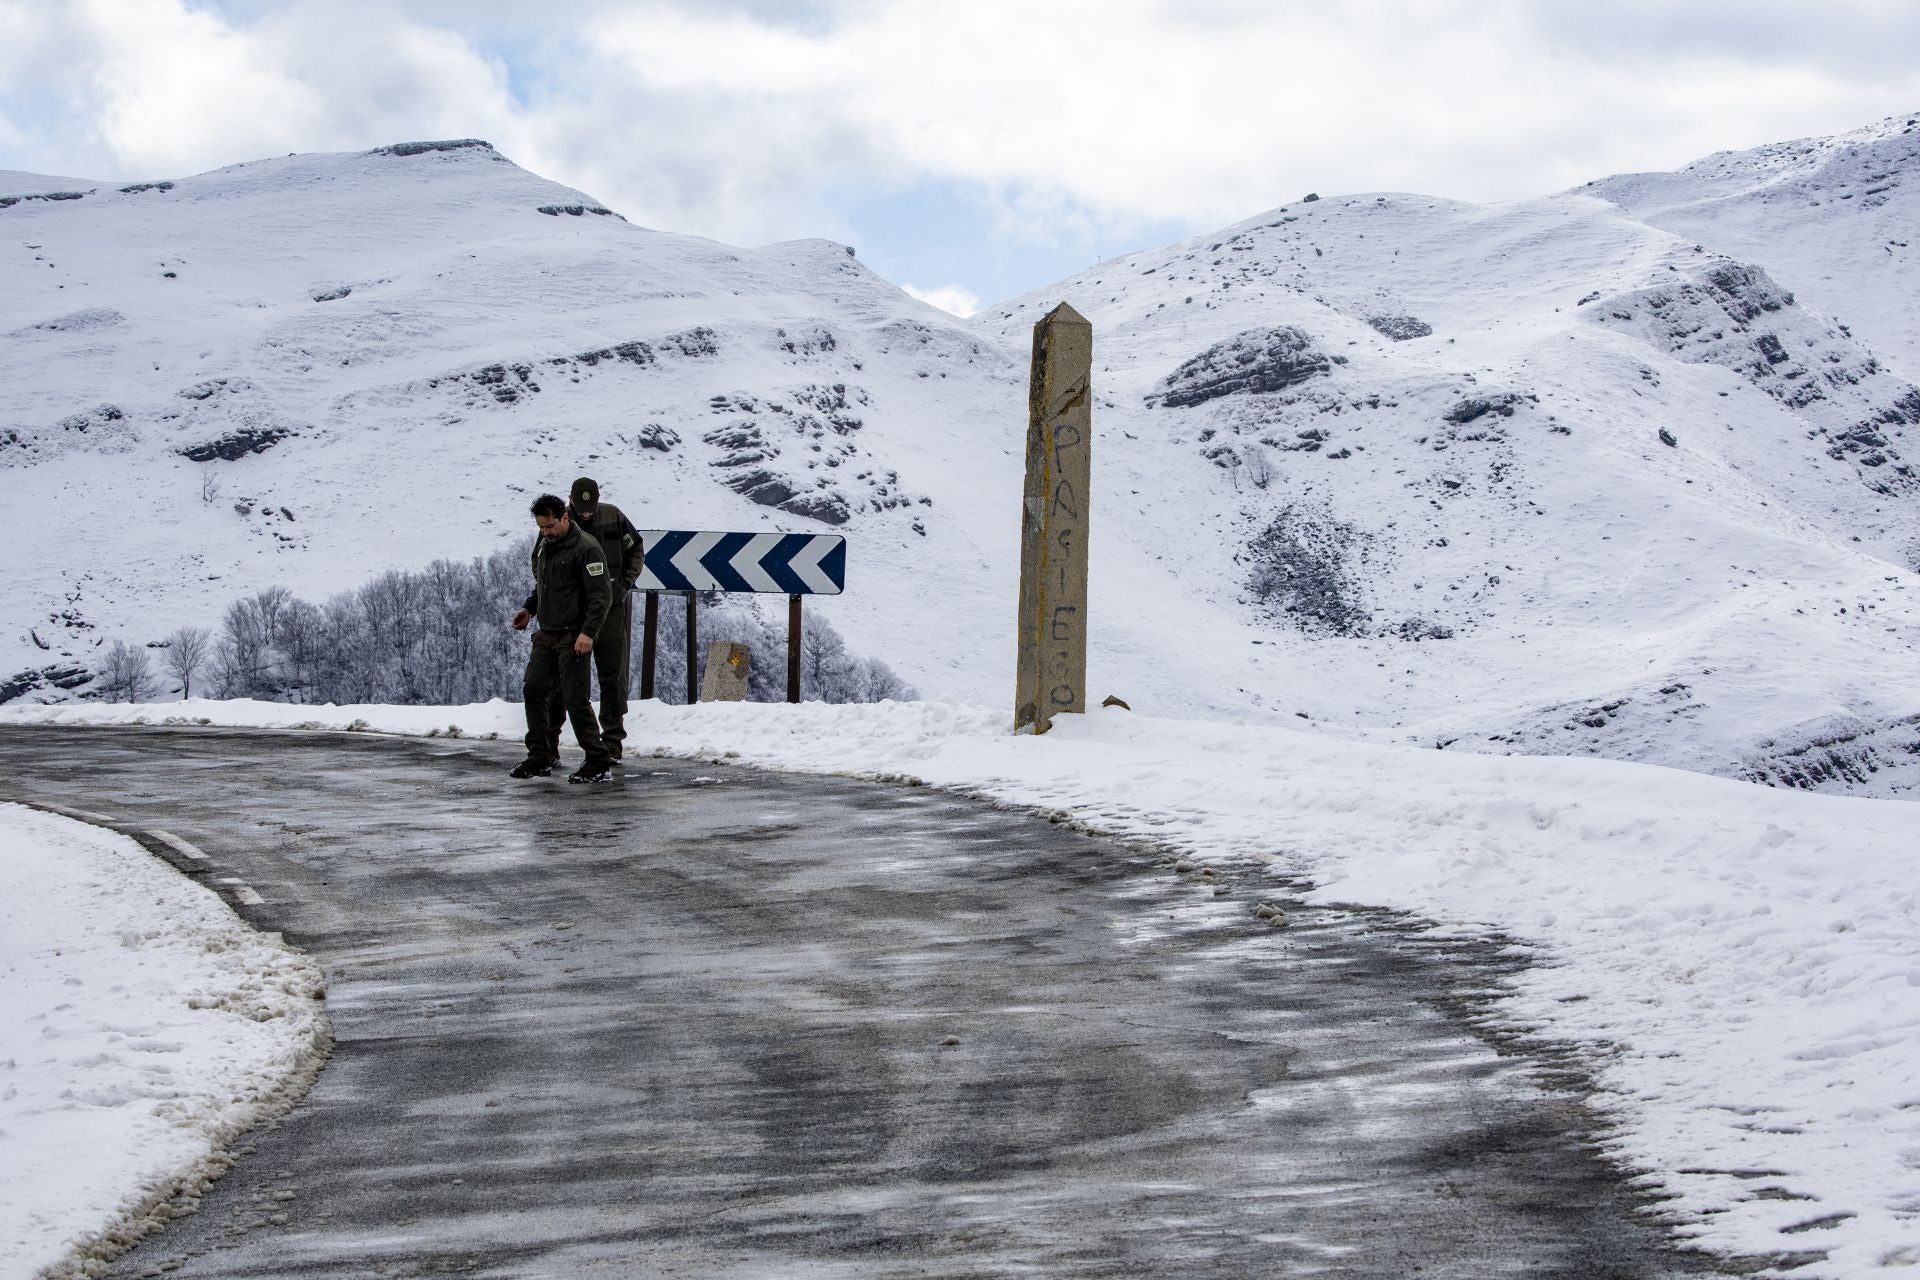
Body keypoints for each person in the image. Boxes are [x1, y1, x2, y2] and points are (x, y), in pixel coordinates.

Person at [509, 493, 615, 784]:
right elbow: (545, 586)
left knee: (574, 699)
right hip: (546, 634)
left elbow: (601, 597)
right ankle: (539, 757)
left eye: (550, 526)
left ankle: (597, 761)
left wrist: (587, 633)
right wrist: (529, 609)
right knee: (533, 689)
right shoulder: (547, 545)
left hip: (573, 636)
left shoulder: (587, 550)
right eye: (541, 528)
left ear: (565, 517)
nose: (546, 533)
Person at [544, 476, 644, 761]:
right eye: (581, 507)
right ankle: (551, 740)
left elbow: (635, 549)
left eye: (591, 507)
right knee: (565, 680)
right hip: (573, 615)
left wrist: (624, 583)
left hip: (610, 609)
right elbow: (541, 563)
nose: (586, 513)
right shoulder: (559, 523)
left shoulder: (613, 516)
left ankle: (612, 743)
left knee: (613, 676)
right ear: (571, 502)